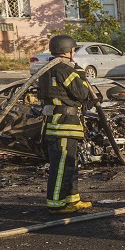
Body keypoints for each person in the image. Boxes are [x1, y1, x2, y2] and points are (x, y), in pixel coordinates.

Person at [38, 34, 97, 214]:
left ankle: (72, 200)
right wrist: (80, 74)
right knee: (62, 165)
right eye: (73, 50)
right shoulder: (65, 69)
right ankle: (56, 204)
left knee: (70, 164)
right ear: (69, 51)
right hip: (63, 125)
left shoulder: (47, 70)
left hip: (60, 124)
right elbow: (80, 92)